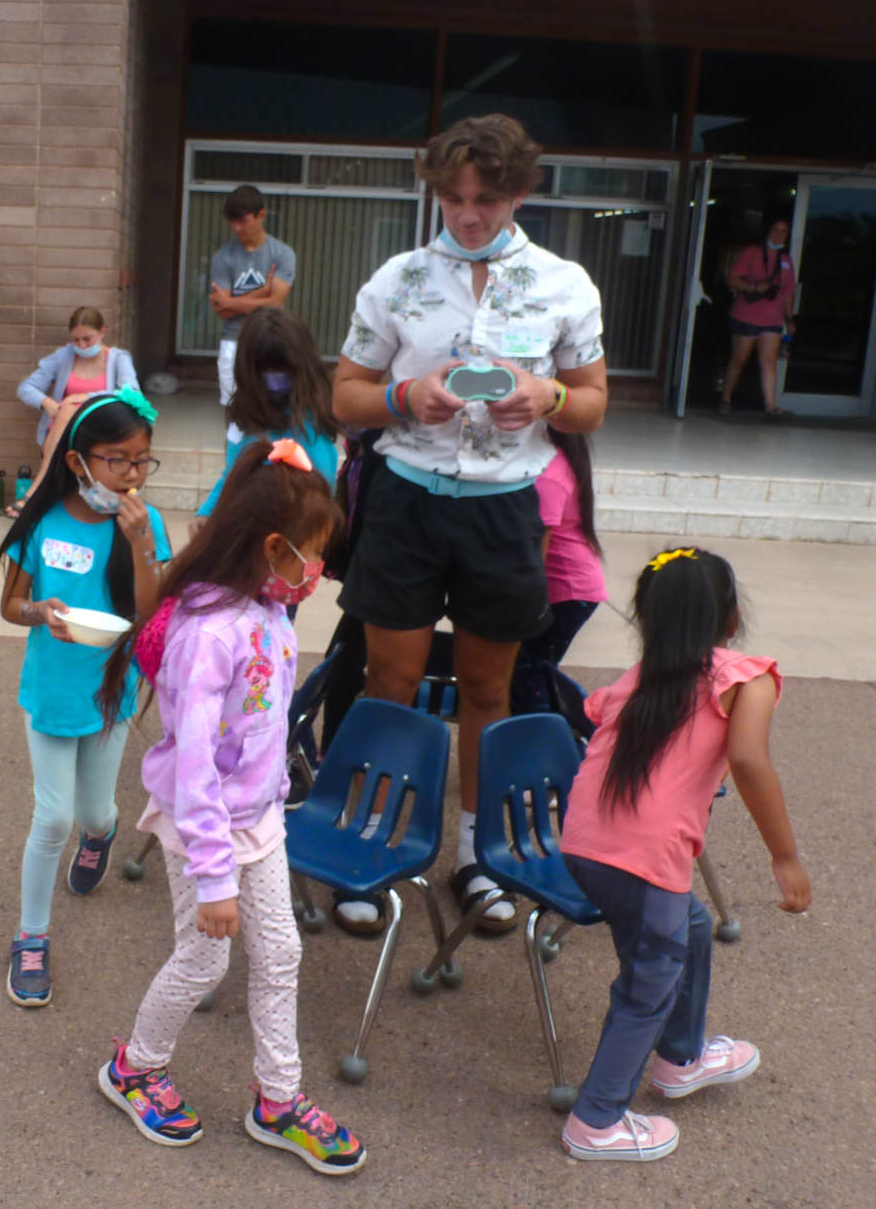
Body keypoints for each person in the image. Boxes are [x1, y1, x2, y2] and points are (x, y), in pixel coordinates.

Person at [332, 114, 607, 933]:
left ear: (521, 193)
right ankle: (372, 843)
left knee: (489, 689)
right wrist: (400, 398)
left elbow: (591, 405)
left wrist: (551, 397)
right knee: (388, 683)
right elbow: (343, 392)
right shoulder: (399, 279)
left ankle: (477, 856)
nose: (466, 215)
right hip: (407, 499)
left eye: (485, 199)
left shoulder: (565, 284)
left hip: (503, 509)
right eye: (452, 198)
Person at [94, 441, 365, 1176]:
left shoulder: (271, 610)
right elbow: (192, 770)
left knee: (280, 953)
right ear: (273, 548)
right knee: (205, 959)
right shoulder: (210, 632)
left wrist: (271, 802)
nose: (318, 570)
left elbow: (263, 727)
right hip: (202, 831)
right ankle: (135, 1068)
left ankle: (278, 1099)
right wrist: (215, 877)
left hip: (260, 820)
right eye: (313, 553)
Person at [559, 546, 811, 1162]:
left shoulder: (635, 681)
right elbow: (748, 761)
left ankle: (682, 1056)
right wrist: (785, 856)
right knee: (650, 978)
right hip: (644, 860)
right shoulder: (744, 677)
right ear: (729, 619)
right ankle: (597, 1120)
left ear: (646, 618)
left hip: (583, 846)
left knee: (691, 928)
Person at [0, 389, 171, 1008]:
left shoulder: (145, 522)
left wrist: (144, 542)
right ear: (78, 463)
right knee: (53, 818)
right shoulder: (42, 522)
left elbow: (152, 614)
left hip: (111, 692)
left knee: (94, 814)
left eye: (142, 460)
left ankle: (103, 836)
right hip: (51, 690)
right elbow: (11, 604)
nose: (132, 474)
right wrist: (38, 611)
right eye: (118, 460)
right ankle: (31, 939)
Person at [194, 307, 339, 523]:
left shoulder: (309, 422)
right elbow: (232, 475)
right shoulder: (244, 415)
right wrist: (207, 512)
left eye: (282, 369)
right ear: (248, 369)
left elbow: (320, 487)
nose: (275, 377)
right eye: (266, 369)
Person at [508, 429, 607, 714]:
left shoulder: (550, 472)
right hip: (571, 589)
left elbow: (537, 549)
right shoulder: (559, 462)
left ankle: (538, 741)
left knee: (527, 673)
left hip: (567, 592)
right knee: (530, 671)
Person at [8, 307, 140, 516]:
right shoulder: (63, 356)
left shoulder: (118, 358)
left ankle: (35, 490)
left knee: (69, 409)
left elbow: (132, 393)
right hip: (64, 427)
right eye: (76, 340)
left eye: (87, 339)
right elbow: (26, 388)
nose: (81, 345)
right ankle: (41, 491)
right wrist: (47, 403)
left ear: (103, 332)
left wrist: (88, 397)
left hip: (98, 427)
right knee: (66, 411)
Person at [209, 185, 296, 410]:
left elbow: (275, 304)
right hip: (233, 341)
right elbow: (222, 312)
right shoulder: (223, 257)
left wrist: (230, 301)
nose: (237, 227)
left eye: (243, 220)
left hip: (271, 341)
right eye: (232, 221)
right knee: (233, 410)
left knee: (273, 409)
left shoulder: (282, 254)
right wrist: (261, 292)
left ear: (261, 216)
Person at [719, 216, 797, 419]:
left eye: (783, 231)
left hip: (772, 319)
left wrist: (789, 321)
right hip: (746, 315)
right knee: (739, 358)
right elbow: (732, 279)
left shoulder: (786, 260)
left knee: (769, 362)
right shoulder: (752, 253)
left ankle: (770, 407)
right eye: (775, 230)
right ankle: (725, 399)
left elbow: (788, 293)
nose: (779, 235)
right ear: (767, 232)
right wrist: (753, 287)